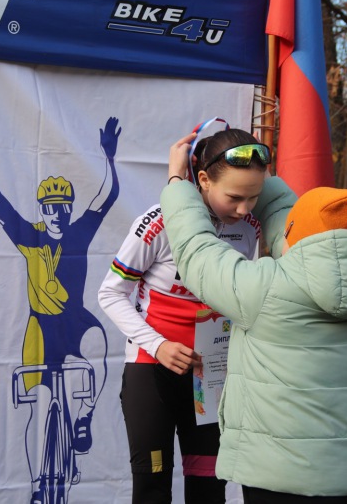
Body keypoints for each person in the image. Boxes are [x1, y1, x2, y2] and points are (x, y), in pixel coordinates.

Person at [158, 133, 347, 504]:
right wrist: (257, 177)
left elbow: (197, 253)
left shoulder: (266, 289)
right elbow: (295, 233)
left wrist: (176, 183)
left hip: (281, 481)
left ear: (301, 238)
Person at [97, 122, 274, 504]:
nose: (244, 209)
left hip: (210, 377)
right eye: (234, 197)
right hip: (152, 370)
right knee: (152, 490)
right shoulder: (160, 222)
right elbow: (110, 293)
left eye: (254, 197)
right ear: (204, 180)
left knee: (209, 492)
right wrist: (158, 345)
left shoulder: (249, 227)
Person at [0, 113, 120, 504]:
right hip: (40, 330)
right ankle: (35, 487)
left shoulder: (80, 232)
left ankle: (83, 418)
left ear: (70, 208)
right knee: (38, 412)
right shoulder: (29, 235)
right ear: (42, 210)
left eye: (63, 207)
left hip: (75, 323)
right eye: (49, 207)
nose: (57, 214)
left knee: (99, 345)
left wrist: (109, 159)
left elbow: (107, 198)